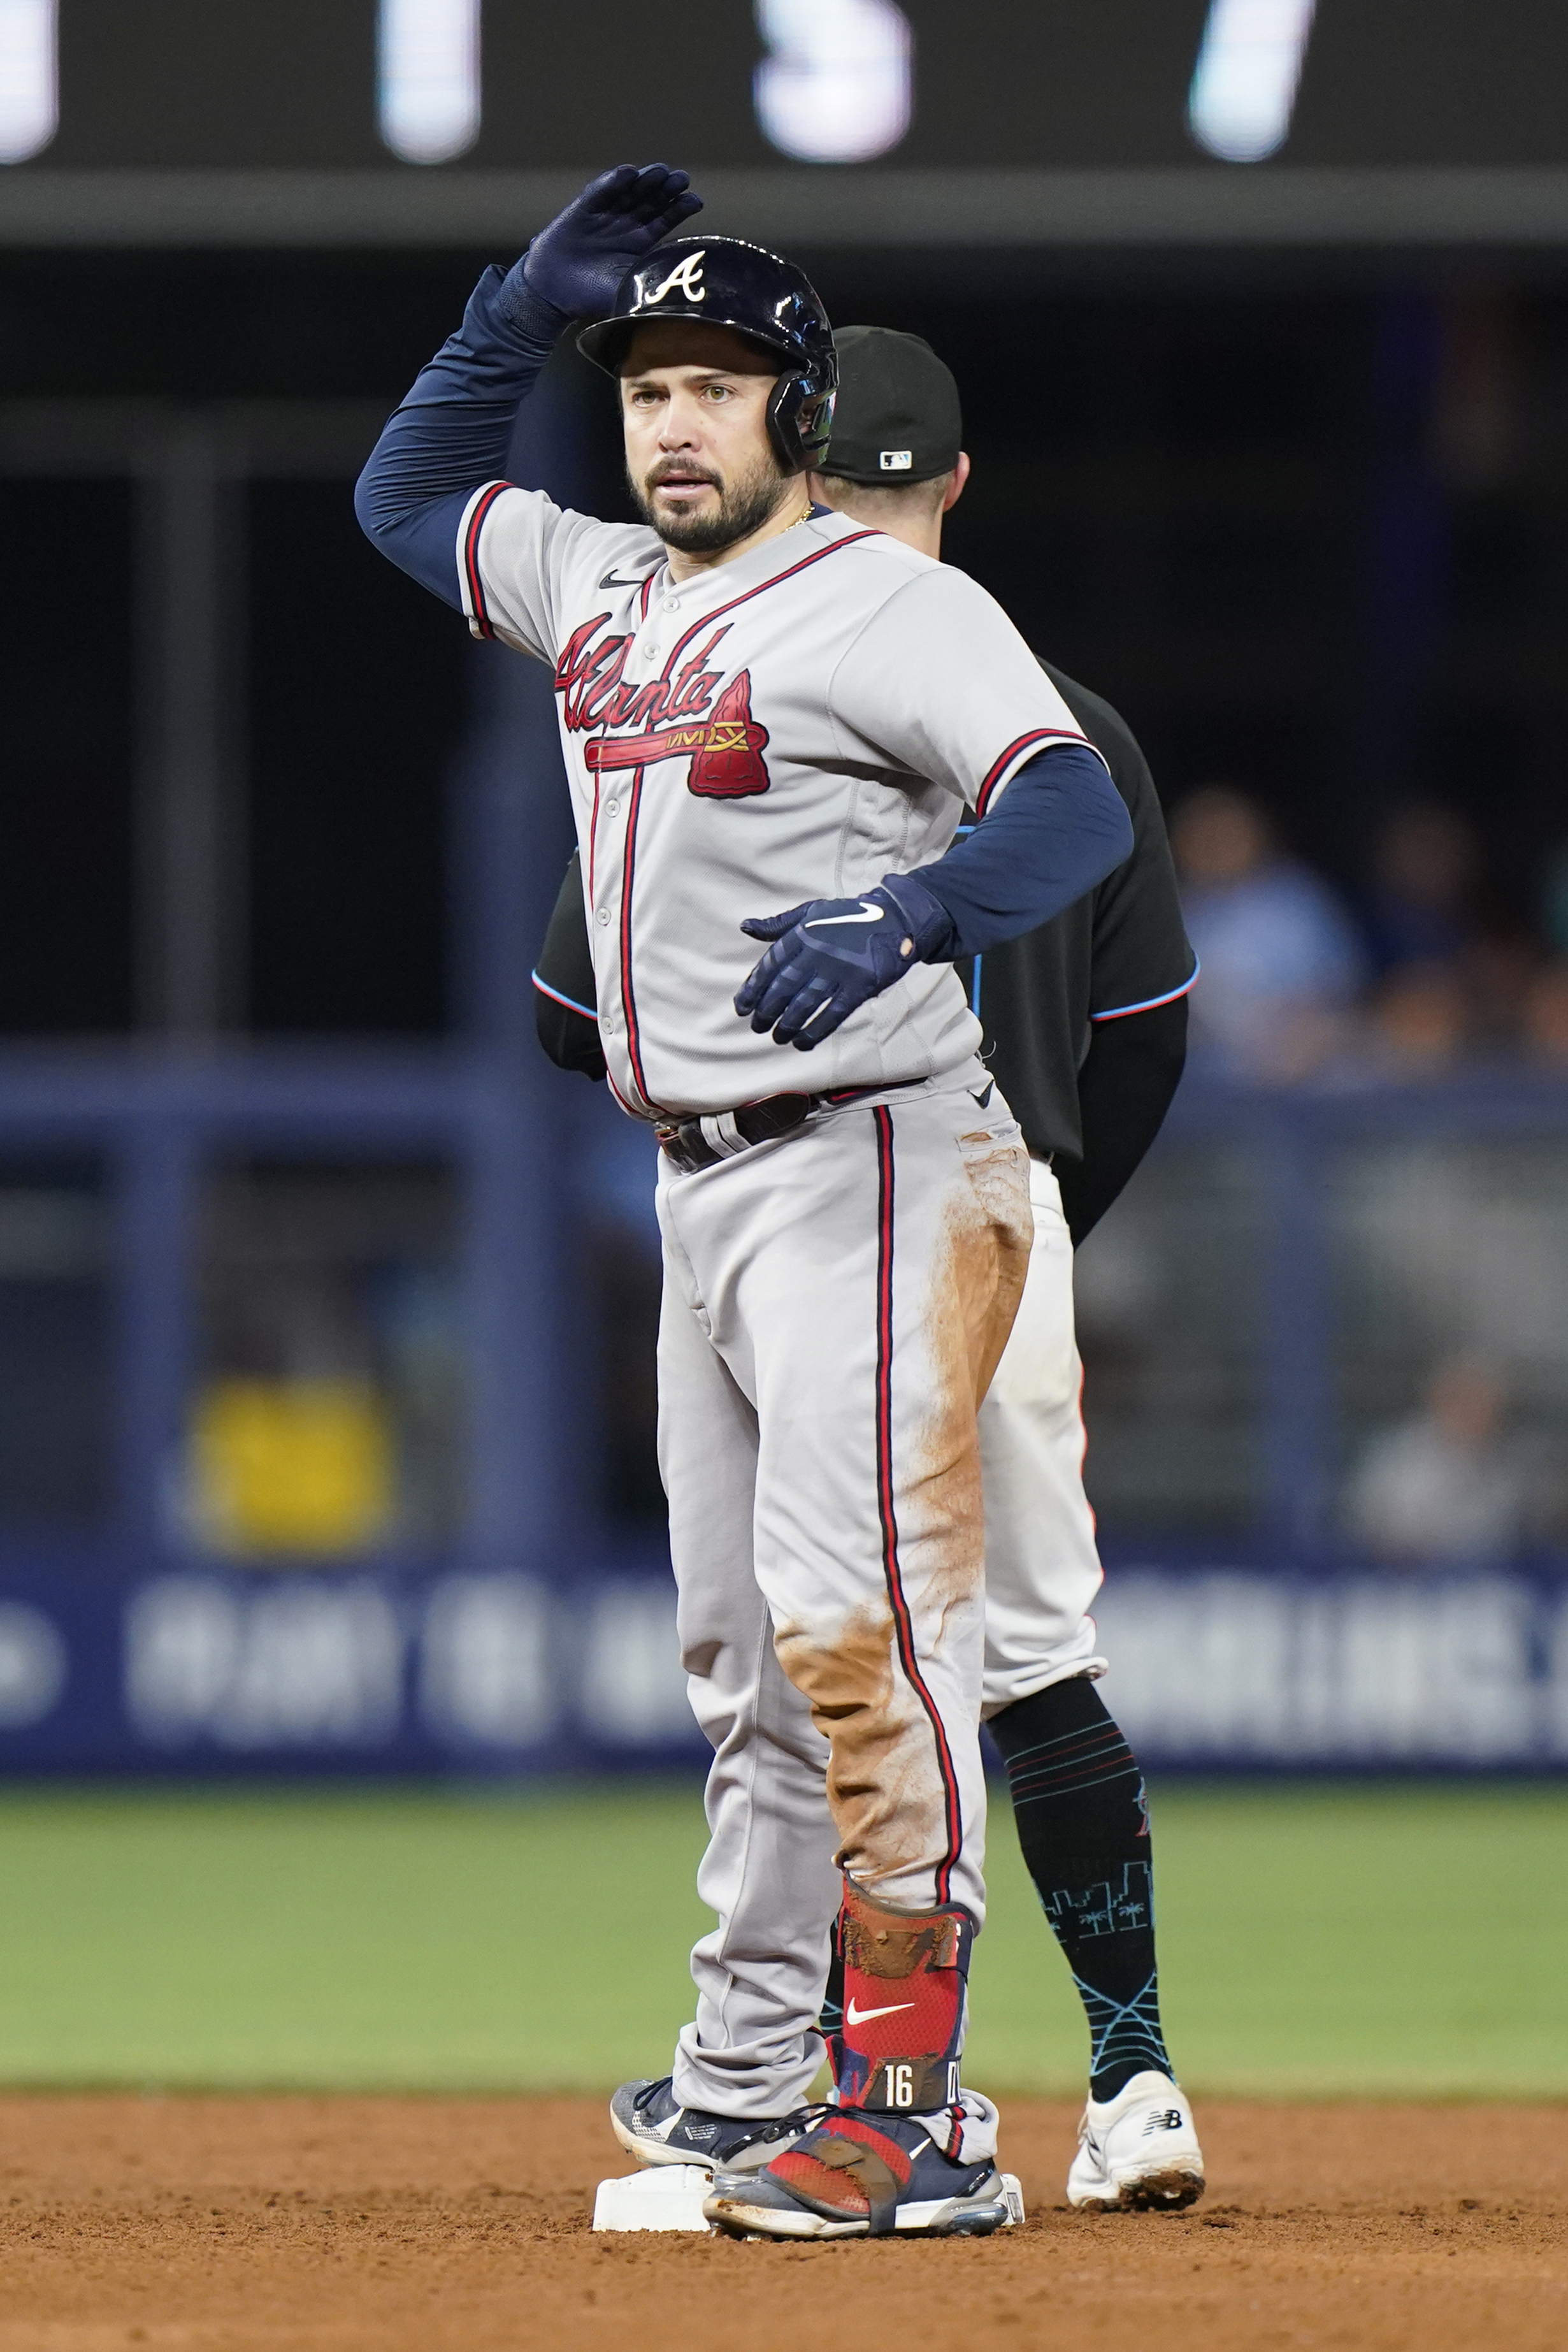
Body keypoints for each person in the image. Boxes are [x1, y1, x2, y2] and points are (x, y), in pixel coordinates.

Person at [357, 165, 1137, 2241]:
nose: (674, 422)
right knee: (745, 1665)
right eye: (646, 386)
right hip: (698, 1186)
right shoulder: (603, 587)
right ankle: (746, 2068)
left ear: (797, 409)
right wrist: (511, 309)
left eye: (715, 383)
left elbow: (1064, 807)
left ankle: (919, 2114)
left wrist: (911, 907)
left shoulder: (894, 600)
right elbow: (398, 498)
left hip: (880, 1156)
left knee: (857, 1631)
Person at [535, 324, 1205, 2214]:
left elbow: (560, 1005)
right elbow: (1150, 1029)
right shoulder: (1068, 716)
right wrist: (1053, 1222)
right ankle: (1126, 2074)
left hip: (847, 1206)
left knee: (823, 1644)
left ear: (800, 465)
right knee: (1010, 1656)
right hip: (1002, 1217)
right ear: (952, 484)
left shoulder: (713, 678)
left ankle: (867, 2098)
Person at [1172, 786, 1364, 1079]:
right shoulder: (1166, 911)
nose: (1216, 844)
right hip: (1205, 1077)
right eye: (1204, 833)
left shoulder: (1298, 901)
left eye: (1228, 833)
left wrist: (1307, 1031)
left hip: (1309, 1065)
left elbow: (1343, 986)